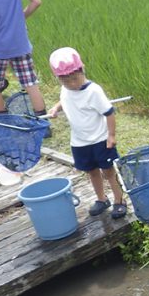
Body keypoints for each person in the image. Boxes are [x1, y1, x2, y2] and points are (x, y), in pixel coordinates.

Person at [46, 47, 126, 219]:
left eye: (75, 79)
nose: (72, 84)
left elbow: (109, 113)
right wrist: (56, 108)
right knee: (92, 171)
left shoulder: (93, 91)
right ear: (59, 79)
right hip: (80, 141)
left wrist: (111, 136)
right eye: (67, 82)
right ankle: (101, 199)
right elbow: (64, 99)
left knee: (109, 171)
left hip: (100, 139)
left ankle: (119, 200)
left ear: (82, 70)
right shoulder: (66, 89)